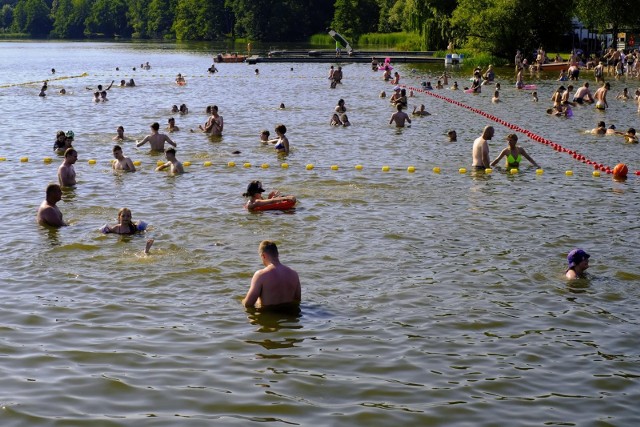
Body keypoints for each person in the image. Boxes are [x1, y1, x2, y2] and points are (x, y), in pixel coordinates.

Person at [242, 240, 301, 310]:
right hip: (289, 315)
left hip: (267, 313)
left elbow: (248, 304)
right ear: (277, 254)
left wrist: (241, 301)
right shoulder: (294, 274)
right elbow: (297, 300)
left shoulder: (261, 275)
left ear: (263, 255)